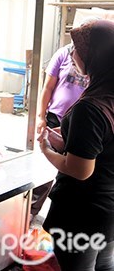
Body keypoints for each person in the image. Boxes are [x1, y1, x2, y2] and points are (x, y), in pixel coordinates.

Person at [37, 19, 114, 271]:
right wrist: (71, 139)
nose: (72, 54)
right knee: (104, 266)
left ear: (96, 56)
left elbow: (81, 170)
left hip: (83, 213)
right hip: (109, 210)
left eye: (77, 49)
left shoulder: (90, 108)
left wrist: (48, 149)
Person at [31, 43, 89, 219]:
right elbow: (47, 87)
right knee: (43, 168)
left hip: (80, 124)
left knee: (70, 169)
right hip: (56, 118)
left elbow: (80, 170)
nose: (74, 53)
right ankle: (31, 212)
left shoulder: (97, 63)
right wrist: (41, 117)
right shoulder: (63, 53)